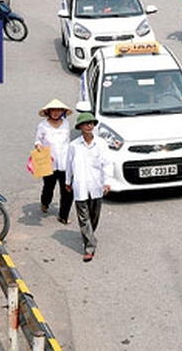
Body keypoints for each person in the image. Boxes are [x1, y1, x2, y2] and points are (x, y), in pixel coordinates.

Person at [65, 112, 112, 262]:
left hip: (96, 185)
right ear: (80, 127)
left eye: (91, 123)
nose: (89, 126)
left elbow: (107, 163)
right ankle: (90, 246)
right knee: (83, 217)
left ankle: (89, 235)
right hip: (80, 186)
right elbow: (69, 165)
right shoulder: (74, 146)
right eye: (86, 124)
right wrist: (68, 181)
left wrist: (107, 182)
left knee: (94, 216)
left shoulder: (101, 144)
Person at [34, 99, 74, 224]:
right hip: (49, 163)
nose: (56, 113)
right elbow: (38, 141)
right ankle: (45, 202)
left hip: (65, 162)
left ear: (62, 112)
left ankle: (63, 215)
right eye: (53, 110)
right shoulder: (43, 125)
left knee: (67, 190)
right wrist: (39, 146)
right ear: (48, 112)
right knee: (48, 187)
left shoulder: (66, 124)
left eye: (58, 110)